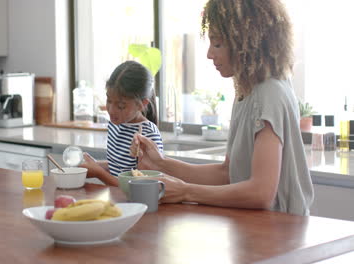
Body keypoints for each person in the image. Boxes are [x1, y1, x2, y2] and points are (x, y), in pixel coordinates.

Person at [132, 0, 314, 216]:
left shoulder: (270, 93)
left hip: (282, 231)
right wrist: (161, 164)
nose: (210, 54)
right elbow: (227, 173)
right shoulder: (247, 91)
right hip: (259, 230)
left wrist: (186, 192)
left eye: (217, 44)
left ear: (246, 42)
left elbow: (261, 193)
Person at [80, 60, 163, 186]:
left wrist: (99, 173)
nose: (111, 110)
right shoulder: (115, 124)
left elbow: (141, 186)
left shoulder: (147, 134)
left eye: (121, 106)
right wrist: (94, 165)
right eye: (109, 100)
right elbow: (121, 168)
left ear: (142, 104)